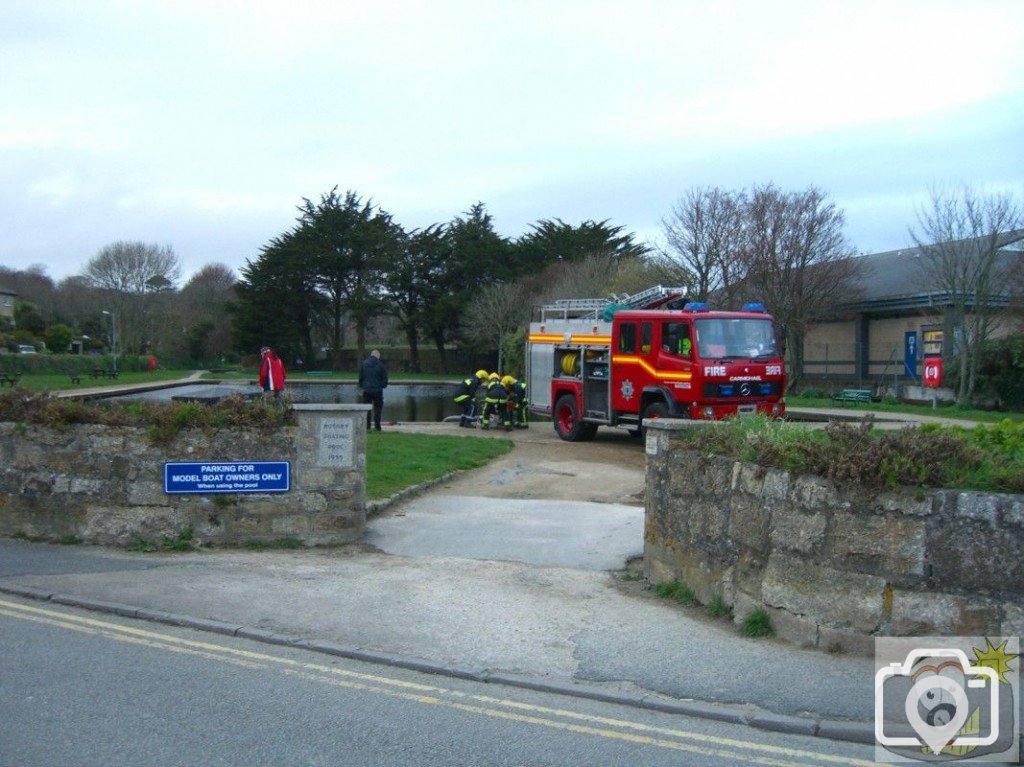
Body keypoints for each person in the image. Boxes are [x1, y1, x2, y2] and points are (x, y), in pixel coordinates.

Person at [358, 349, 389, 431]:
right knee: (378, 409)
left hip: (367, 390)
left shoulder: (364, 364)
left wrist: (362, 385)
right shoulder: (381, 365)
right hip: (377, 390)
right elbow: (385, 378)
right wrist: (382, 386)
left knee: (367, 409)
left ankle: (367, 426)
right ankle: (377, 427)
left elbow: (361, 376)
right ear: (378, 356)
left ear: (371, 355)